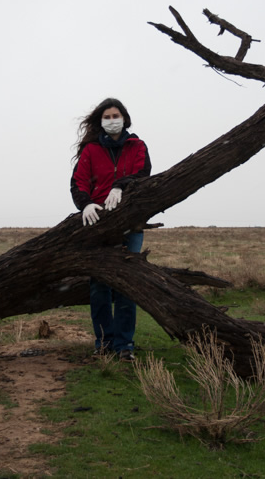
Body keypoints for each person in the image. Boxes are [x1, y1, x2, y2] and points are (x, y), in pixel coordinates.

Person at [70, 98, 151, 361]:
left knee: (127, 286)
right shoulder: (91, 150)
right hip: (98, 225)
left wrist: (120, 185)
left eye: (116, 115)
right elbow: (78, 182)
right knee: (100, 286)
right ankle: (103, 343)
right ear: (100, 122)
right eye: (107, 117)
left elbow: (143, 174)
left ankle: (124, 346)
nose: (112, 120)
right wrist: (86, 204)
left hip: (131, 224)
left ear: (125, 119)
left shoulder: (137, 145)